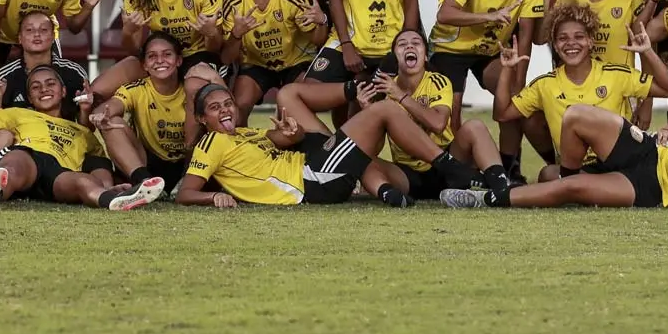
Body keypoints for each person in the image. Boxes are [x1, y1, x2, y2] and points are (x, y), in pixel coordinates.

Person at [441, 79, 668, 211]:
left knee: (570, 186)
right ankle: (566, 178)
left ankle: (488, 198)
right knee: (577, 115)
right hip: (653, 151)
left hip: (658, 189)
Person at [175, 83, 512, 208]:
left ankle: (391, 192)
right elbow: (185, 193)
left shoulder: (243, 134)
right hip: (310, 180)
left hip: (312, 169)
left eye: (228, 104)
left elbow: (281, 139)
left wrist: (291, 133)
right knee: (381, 110)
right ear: (202, 118)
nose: (226, 111)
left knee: (371, 126)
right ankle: (455, 171)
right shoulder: (211, 143)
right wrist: (215, 196)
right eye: (216, 108)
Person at [283, 29, 503, 200]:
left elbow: (438, 123)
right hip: (409, 175)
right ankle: (388, 194)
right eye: (402, 44)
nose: (410, 47)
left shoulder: (437, 81)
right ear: (395, 57)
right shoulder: (385, 87)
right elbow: (374, 139)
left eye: (416, 43)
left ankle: (501, 184)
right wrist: (368, 109)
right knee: (361, 159)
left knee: (474, 126)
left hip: (449, 162)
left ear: (425, 56)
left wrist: (401, 97)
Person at [0, 43, 164, 211]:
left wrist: (108, 186)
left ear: (64, 91)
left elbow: (98, 165)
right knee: (14, 164)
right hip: (29, 156)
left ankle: (113, 200)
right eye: (35, 87)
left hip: (59, 173)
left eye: (50, 84)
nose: (44, 89)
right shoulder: (18, 113)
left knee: (83, 183)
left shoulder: (83, 131)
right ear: (30, 98)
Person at [494, 3, 668, 181]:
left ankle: (587, 187)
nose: (571, 43)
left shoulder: (615, 74)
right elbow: (502, 114)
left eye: (579, 37)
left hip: (617, 164)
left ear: (590, 41)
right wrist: (507, 69)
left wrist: (647, 52)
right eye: (563, 38)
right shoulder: (545, 84)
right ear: (555, 46)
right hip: (577, 169)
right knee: (547, 174)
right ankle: (584, 185)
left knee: (554, 177)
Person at [91, 0, 223, 150]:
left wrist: (210, 33)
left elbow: (215, 47)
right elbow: (132, 49)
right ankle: (91, 153)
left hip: (195, 54)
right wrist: (130, 31)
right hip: (158, 56)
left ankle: (189, 157)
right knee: (95, 92)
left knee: (194, 87)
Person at [433, 0, 543, 181]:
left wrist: (519, 79)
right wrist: (487, 17)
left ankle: (509, 168)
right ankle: (462, 171)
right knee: (452, 114)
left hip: (489, 50)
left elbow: (526, 34)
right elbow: (444, 14)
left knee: (513, 99)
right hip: (450, 47)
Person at [221, 0, 329, 124]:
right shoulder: (234, 1)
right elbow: (226, 58)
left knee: (294, 110)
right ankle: (242, 150)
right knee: (238, 107)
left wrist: (321, 20)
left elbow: (318, 39)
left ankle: (303, 149)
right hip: (256, 64)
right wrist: (236, 34)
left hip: (295, 62)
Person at [90, 33, 223, 193]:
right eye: (152, 56)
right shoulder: (136, 89)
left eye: (167, 54)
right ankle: (145, 183)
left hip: (190, 164)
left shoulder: (193, 88)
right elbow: (107, 108)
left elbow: (228, 113)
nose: (160, 61)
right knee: (112, 123)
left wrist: (215, 78)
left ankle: (187, 184)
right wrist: (100, 115)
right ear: (144, 65)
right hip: (148, 162)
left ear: (179, 61)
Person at [0, 11, 89, 121]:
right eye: (29, 30)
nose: (37, 34)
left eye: (43, 30)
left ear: (53, 36)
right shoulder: (4, 77)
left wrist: (85, 110)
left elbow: (85, 127)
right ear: (19, 38)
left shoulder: (74, 72)